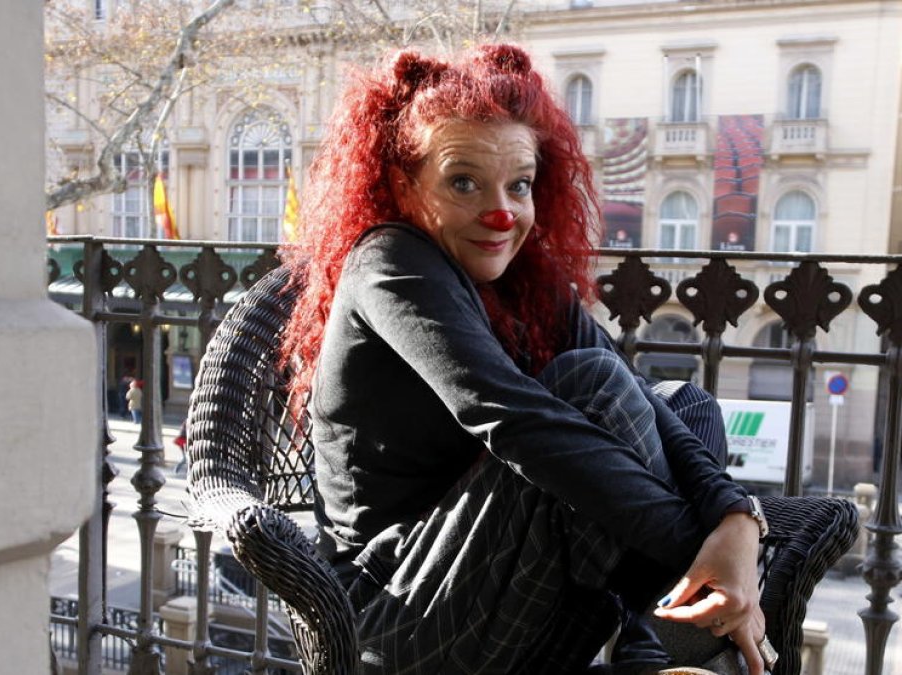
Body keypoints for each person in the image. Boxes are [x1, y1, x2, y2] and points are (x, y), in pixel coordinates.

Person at [279, 44, 770, 674]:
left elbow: (641, 397)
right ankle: (702, 627)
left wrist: (736, 518)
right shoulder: (390, 261)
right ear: (403, 185)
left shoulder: (524, 279)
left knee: (683, 401)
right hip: (397, 617)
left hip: (504, 588)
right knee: (586, 387)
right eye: (464, 182)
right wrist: (701, 559)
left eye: (519, 185)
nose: (501, 212)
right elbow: (510, 419)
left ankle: (661, 642)